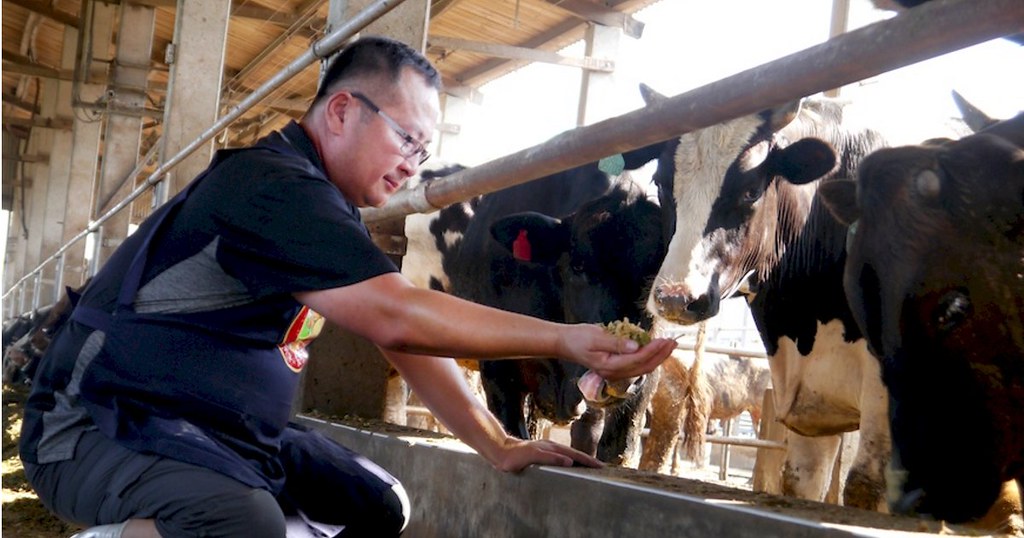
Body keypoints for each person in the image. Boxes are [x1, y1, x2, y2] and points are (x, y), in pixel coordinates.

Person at [19, 36, 676, 538]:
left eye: (425, 149)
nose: (413, 163)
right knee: (241, 524)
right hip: (97, 423)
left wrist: (496, 443)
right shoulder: (273, 186)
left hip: (222, 429)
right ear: (342, 110)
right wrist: (567, 339)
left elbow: (401, 337)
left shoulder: (328, 213)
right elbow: (397, 317)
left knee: (381, 506)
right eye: (406, 138)